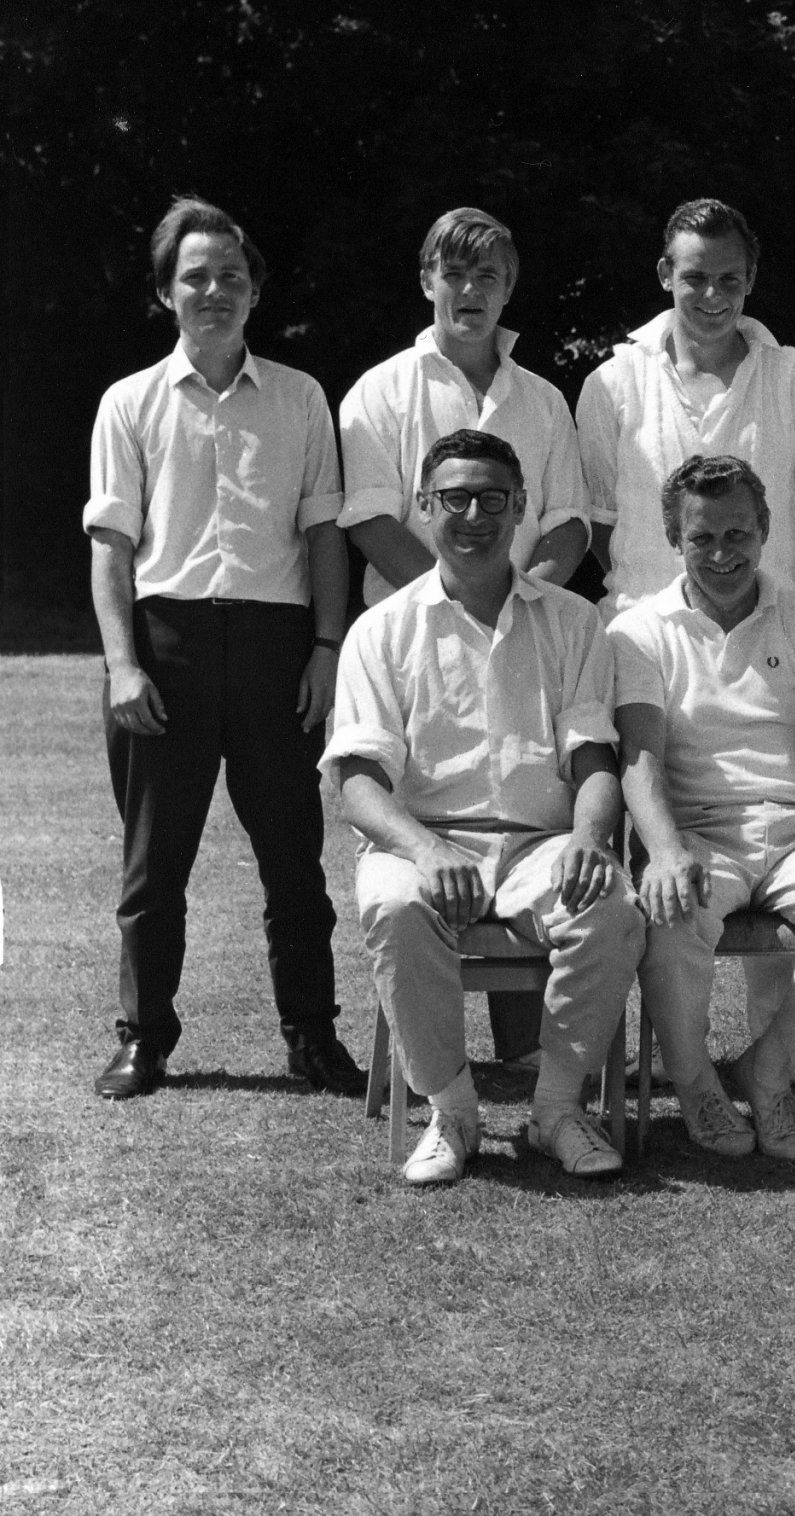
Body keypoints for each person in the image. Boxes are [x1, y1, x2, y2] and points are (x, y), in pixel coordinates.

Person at [84, 196, 363, 1101]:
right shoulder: (128, 403)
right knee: (153, 864)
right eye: (195, 277)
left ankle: (313, 1037)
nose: (214, 291)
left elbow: (324, 535)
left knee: (295, 860)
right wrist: (124, 664)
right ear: (167, 292)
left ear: (255, 292)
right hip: (169, 650)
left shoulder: (301, 396)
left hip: (280, 647)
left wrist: (327, 648)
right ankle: (144, 1038)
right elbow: (111, 550)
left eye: (231, 277)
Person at [323, 430, 644, 1186]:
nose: (474, 514)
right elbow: (358, 781)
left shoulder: (572, 621)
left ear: (521, 507)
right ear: (424, 506)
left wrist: (592, 841)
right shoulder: (382, 629)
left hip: (542, 843)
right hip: (424, 841)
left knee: (612, 908)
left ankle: (556, 1110)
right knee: (397, 909)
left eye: (492, 499)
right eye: (455, 498)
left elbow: (595, 757)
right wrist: (428, 852)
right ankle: (452, 1110)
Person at [611, 455, 795, 1161]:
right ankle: (697, 1084)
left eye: (737, 534)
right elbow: (639, 755)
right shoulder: (638, 630)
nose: (721, 554)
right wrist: (667, 850)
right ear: (674, 537)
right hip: (702, 831)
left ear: (765, 530)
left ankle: (770, 1073)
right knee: (671, 914)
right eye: (702, 538)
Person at [577, 199, 795, 617]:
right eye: (695, 277)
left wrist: (732, 586)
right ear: (665, 275)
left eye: (729, 279)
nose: (713, 294)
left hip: (768, 631)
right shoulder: (613, 382)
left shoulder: (790, 381)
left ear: (750, 279)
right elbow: (600, 519)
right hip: (644, 635)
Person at [339, 207, 588, 607]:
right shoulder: (379, 390)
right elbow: (370, 520)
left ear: (507, 288)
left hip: (523, 623)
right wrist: (459, 605)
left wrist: (516, 603)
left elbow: (569, 521)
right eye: (454, 274)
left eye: (487, 276)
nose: (471, 290)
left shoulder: (546, 401)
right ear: (427, 282)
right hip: (414, 627)